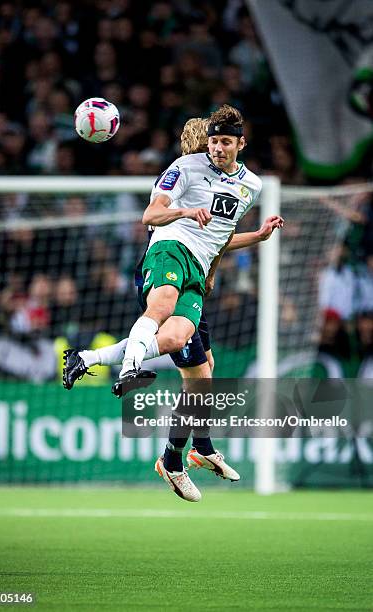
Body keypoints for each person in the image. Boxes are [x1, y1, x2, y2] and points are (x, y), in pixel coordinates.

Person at [63, 106, 283, 500]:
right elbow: (153, 214)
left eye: (222, 141)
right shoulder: (184, 168)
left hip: (197, 274)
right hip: (169, 253)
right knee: (165, 317)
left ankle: (184, 452)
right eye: (210, 141)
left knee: (201, 373)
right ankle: (132, 376)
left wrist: (258, 237)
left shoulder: (250, 185)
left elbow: (217, 237)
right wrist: (183, 210)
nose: (214, 148)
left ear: (240, 143)